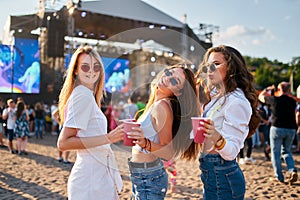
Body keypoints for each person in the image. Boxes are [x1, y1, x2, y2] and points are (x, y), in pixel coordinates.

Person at [57, 45, 124, 200]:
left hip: (96, 176)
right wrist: (108, 138)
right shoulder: (82, 96)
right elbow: (63, 143)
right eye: (85, 67)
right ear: (75, 70)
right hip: (90, 180)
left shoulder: (85, 95)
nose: (91, 71)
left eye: (96, 66)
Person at [195, 45, 260, 199]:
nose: (209, 68)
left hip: (222, 172)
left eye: (216, 64)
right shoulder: (217, 96)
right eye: (208, 65)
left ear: (231, 67)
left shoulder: (236, 101)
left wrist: (216, 137)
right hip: (211, 169)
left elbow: (231, 152)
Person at [127, 64, 199, 199]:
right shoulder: (157, 103)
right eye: (168, 72)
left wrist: (144, 143)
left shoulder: (162, 106)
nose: (167, 77)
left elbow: (168, 152)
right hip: (141, 174)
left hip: (148, 178)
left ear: (178, 92)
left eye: (174, 81)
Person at [258, 82, 298, 184]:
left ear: (279, 90)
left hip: (277, 128)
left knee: (275, 154)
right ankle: (292, 169)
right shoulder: (293, 101)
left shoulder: (274, 100)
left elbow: (260, 97)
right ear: (289, 90)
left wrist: (267, 89)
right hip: (291, 128)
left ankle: (279, 177)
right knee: (287, 151)